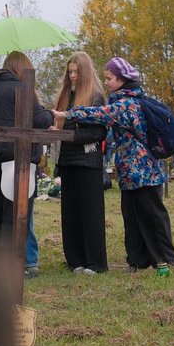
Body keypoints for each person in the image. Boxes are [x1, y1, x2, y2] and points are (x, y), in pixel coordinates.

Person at [52, 57, 174, 273]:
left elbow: (98, 114)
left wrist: (66, 114)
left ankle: (168, 258)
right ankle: (138, 260)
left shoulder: (127, 104)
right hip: (132, 171)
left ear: (121, 79)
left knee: (152, 214)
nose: (107, 82)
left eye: (110, 78)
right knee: (132, 216)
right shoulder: (127, 99)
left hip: (142, 170)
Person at [0, 51, 53, 279]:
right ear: (22, 69)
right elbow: (40, 119)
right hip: (15, 159)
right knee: (15, 213)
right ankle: (11, 265)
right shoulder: (20, 89)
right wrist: (49, 112)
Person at [52, 51, 108, 275]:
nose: (72, 76)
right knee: (70, 214)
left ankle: (95, 262)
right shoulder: (65, 96)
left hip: (87, 162)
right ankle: (75, 260)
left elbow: (99, 131)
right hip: (67, 161)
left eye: (76, 72)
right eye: (70, 72)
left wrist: (71, 137)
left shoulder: (95, 96)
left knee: (91, 214)